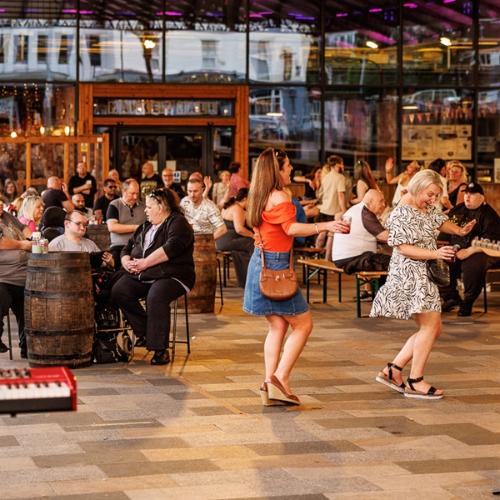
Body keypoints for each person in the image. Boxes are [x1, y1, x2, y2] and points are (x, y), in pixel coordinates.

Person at [243, 148, 350, 406]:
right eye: (288, 166)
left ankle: (271, 383)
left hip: (260, 262)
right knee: (303, 324)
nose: (291, 169)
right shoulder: (281, 195)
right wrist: (324, 225)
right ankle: (280, 377)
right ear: (277, 170)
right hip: (277, 266)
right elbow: (290, 228)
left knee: (277, 326)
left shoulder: (259, 194)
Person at [370, 170, 476, 400]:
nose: (434, 200)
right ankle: (415, 380)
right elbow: (403, 247)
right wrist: (435, 252)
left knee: (432, 327)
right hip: (409, 273)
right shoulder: (401, 213)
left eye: (437, 195)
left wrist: (459, 230)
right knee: (431, 326)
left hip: (424, 272)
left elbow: (438, 220)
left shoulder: (426, 206)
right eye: (431, 194)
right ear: (417, 186)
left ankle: (394, 369)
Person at [111, 189, 195, 366]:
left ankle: (159, 350)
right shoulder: (146, 225)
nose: (145, 210)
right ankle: (146, 333)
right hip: (146, 274)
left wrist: (144, 263)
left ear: (162, 206)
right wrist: (126, 261)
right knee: (120, 290)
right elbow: (128, 247)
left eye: (149, 207)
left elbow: (172, 248)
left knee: (156, 295)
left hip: (174, 275)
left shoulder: (178, 223)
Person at [440, 182, 500, 316]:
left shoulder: (489, 215)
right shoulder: (458, 209)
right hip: (458, 249)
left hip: (480, 251)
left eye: (472, 194)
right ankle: (451, 297)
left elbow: (492, 242)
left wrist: (468, 251)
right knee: (439, 261)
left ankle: (467, 302)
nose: (467, 197)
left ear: (482, 197)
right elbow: (445, 232)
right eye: (466, 193)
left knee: (473, 265)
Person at [0, 198, 33, 357]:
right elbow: (1, 242)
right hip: (3, 278)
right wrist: (23, 245)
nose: (0, 205)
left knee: (32, 309)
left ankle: (27, 347)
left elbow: (23, 226)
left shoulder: (6, 216)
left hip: (25, 277)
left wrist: (31, 237)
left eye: (0, 201)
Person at [333, 189, 390, 274]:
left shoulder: (358, 209)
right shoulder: (365, 213)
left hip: (346, 258)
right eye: (380, 201)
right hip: (353, 259)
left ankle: (379, 287)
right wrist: (407, 236)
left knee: (388, 261)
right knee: (394, 263)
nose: (384, 205)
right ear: (370, 202)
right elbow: (384, 236)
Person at [215, 188, 254, 288]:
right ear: (245, 199)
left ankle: (245, 279)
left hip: (221, 240)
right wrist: (253, 235)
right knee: (252, 242)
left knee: (241, 251)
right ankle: (253, 276)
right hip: (227, 241)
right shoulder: (237, 209)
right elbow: (239, 229)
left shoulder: (230, 205)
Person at [49, 210, 115, 267]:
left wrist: (110, 262)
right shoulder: (56, 244)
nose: (82, 228)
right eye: (78, 224)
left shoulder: (90, 243)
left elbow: (103, 264)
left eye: (84, 225)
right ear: (67, 224)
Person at [106, 179, 146, 267]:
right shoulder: (114, 205)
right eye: (132, 193)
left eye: (137, 193)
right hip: (120, 246)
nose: (135, 197)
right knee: (117, 262)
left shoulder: (144, 206)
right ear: (124, 191)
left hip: (140, 246)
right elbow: (112, 227)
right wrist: (137, 228)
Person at [317, 155, 346, 222]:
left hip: (323, 210)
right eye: (341, 164)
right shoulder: (340, 177)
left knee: (323, 232)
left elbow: (320, 194)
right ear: (337, 164)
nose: (342, 166)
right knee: (332, 232)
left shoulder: (325, 177)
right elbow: (340, 195)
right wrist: (344, 211)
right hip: (333, 212)